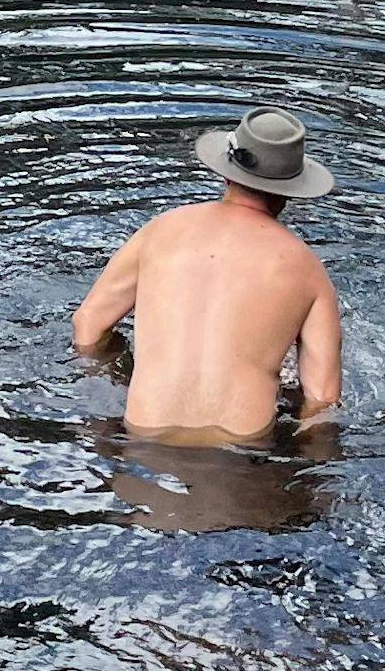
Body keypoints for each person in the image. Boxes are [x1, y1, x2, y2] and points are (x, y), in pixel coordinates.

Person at [71, 107, 341, 445]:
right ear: (290, 192)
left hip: (143, 436)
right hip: (242, 450)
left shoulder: (159, 232)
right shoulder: (308, 270)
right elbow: (323, 397)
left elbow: (88, 324)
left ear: (226, 175)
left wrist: (118, 384)